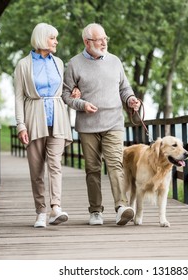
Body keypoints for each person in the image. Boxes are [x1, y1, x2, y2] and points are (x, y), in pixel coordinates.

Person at [62, 23, 140, 226]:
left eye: (106, 38)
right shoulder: (74, 64)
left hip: (113, 122)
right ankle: (95, 211)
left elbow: (124, 88)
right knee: (92, 169)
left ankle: (121, 207)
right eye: (99, 40)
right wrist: (81, 104)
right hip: (88, 126)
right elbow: (65, 94)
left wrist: (131, 99)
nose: (104, 42)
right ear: (87, 42)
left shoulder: (115, 61)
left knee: (115, 164)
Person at [14, 23, 76, 228]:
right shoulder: (23, 65)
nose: (56, 41)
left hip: (58, 117)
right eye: (53, 38)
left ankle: (55, 208)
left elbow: (63, 88)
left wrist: (74, 91)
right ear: (42, 38)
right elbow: (19, 97)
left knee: (55, 164)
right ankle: (40, 211)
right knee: (36, 168)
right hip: (34, 119)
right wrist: (20, 125)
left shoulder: (58, 62)